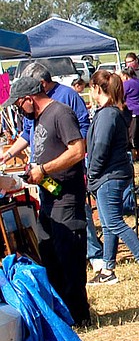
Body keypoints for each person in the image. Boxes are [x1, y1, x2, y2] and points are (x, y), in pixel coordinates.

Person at [4, 76, 90, 326]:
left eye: (19, 104)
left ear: (30, 99)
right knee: (49, 254)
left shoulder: (61, 113)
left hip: (66, 197)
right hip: (48, 197)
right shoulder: (38, 118)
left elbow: (77, 151)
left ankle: (80, 314)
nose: (19, 109)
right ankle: (62, 313)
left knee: (69, 256)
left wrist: (45, 169)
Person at [87, 70, 139, 285]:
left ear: (97, 88)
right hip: (114, 174)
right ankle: (107, 270)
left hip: (109, 176)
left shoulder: (108, 114)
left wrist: (92, 173)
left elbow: (100, 147)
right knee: (108, 222)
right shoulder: (115, 112)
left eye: (91, 88)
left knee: (114, 222)